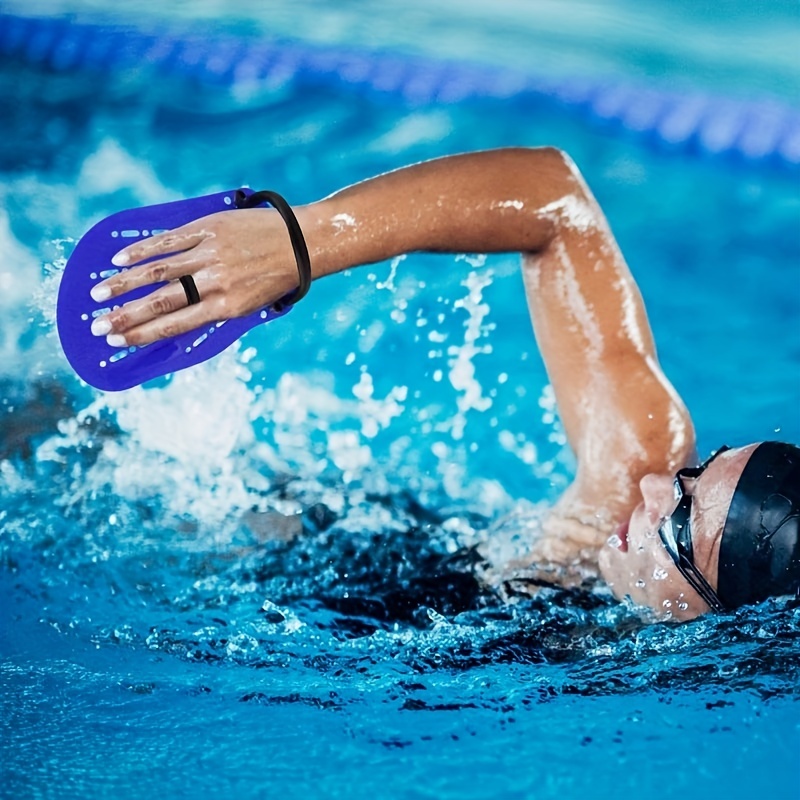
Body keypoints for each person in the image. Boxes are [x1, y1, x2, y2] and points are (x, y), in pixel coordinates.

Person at [87, 147, 800, 621]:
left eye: (678, 522)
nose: (653, 485)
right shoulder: (633, 473)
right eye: (695, 474)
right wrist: (300, 242)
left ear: (724, 620)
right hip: (306, 542)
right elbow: (555, 199)